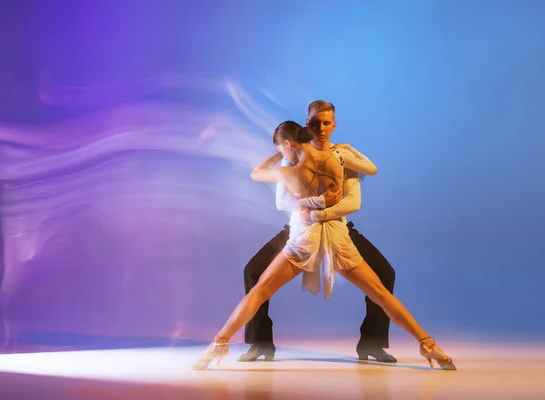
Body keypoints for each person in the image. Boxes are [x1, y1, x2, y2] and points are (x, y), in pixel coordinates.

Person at [192, 120, 456, 371]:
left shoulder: (290, 171)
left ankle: (219, 344)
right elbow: (362, 177)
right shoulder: (336, 158)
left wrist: (283, 163)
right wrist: (343, 159)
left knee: (260, 291)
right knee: (380, 293)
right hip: (336, 236)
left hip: (305, 239)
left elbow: (256, 174)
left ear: (287, 144)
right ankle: (428, 344)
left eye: (281, 147)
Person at [240, 100, 397, 363]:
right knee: (253, 271)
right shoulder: (294, 158)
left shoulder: (341, 158)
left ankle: (371, 343)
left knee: (384, 273)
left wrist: (321, 211)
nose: (321, 129)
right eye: (315, 123)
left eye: (326, 123)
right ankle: (260, 344)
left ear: (334, 125)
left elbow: (351, 201)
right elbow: (283, 202)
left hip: (338, 231)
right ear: (306, 124)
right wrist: (285, 154)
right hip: (299, 232)